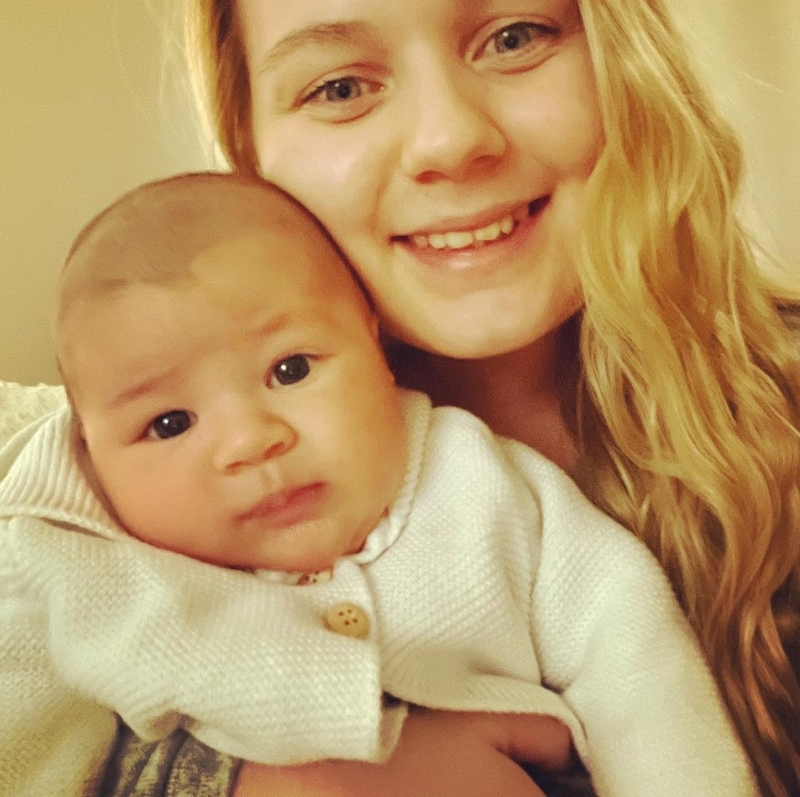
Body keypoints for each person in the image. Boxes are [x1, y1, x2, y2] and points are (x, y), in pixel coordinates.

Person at [1, 0, 797, 794]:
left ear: (624, 57)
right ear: (251, 152)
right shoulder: (93, 481)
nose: (449, 140)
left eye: (515, 35)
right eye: (339, 87)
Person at [0, 171, 756, 797]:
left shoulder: (480, 481)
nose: (252, 441)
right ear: (87, 449)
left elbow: (634, 658)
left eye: (291, 369)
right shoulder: (78, 562)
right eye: (170, 424)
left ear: (372, 341)